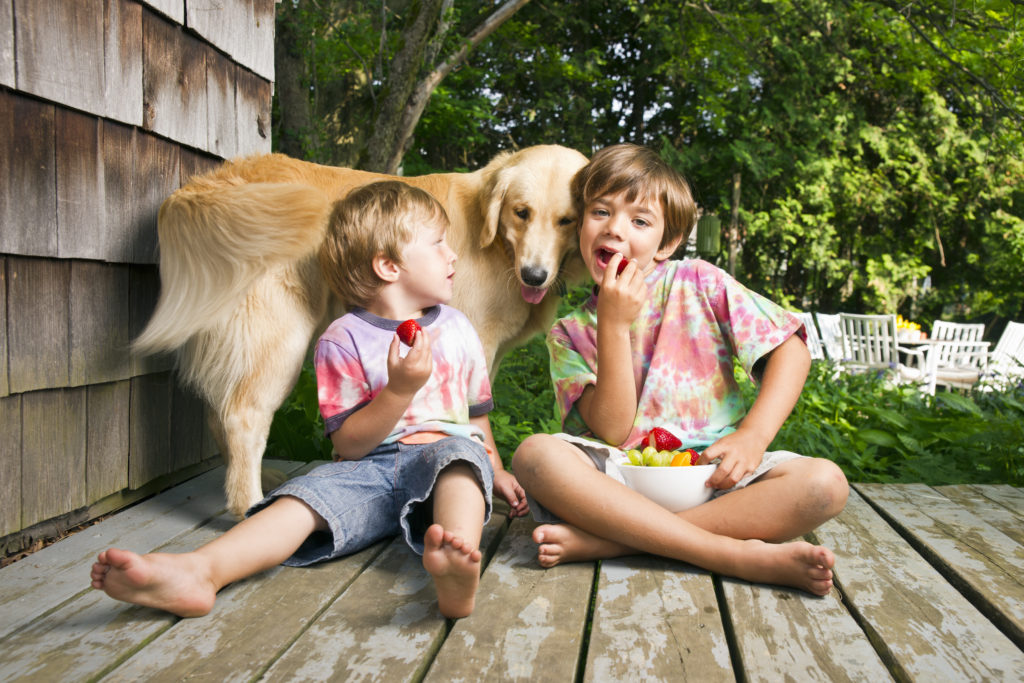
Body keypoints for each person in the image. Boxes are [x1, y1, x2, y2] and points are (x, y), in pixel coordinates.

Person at [91, 180, 529, 619]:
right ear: (389, 265)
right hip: (367, 470)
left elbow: (476, 414)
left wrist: (494, 466)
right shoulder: (342, 339)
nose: (453, 255)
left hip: (443, 454)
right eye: (437, 244)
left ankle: (457, 560)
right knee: (302, 497)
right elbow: (349, 446)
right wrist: (398, 391)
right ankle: (200, 571)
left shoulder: (456, 328)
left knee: (459, 464)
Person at [512, 144, 849, 596]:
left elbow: (790, 349)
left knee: (825, 484)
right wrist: (612, 326)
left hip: (713, 477)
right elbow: (612, 431)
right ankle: (728, 554)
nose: (615, 228)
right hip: (617, 484)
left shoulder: (700, 282)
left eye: (640, 221)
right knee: (535, 456)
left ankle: (612, 544)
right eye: (600, 211)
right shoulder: (569, 333)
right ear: (580, 227)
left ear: (666, 243)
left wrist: (754, 436)